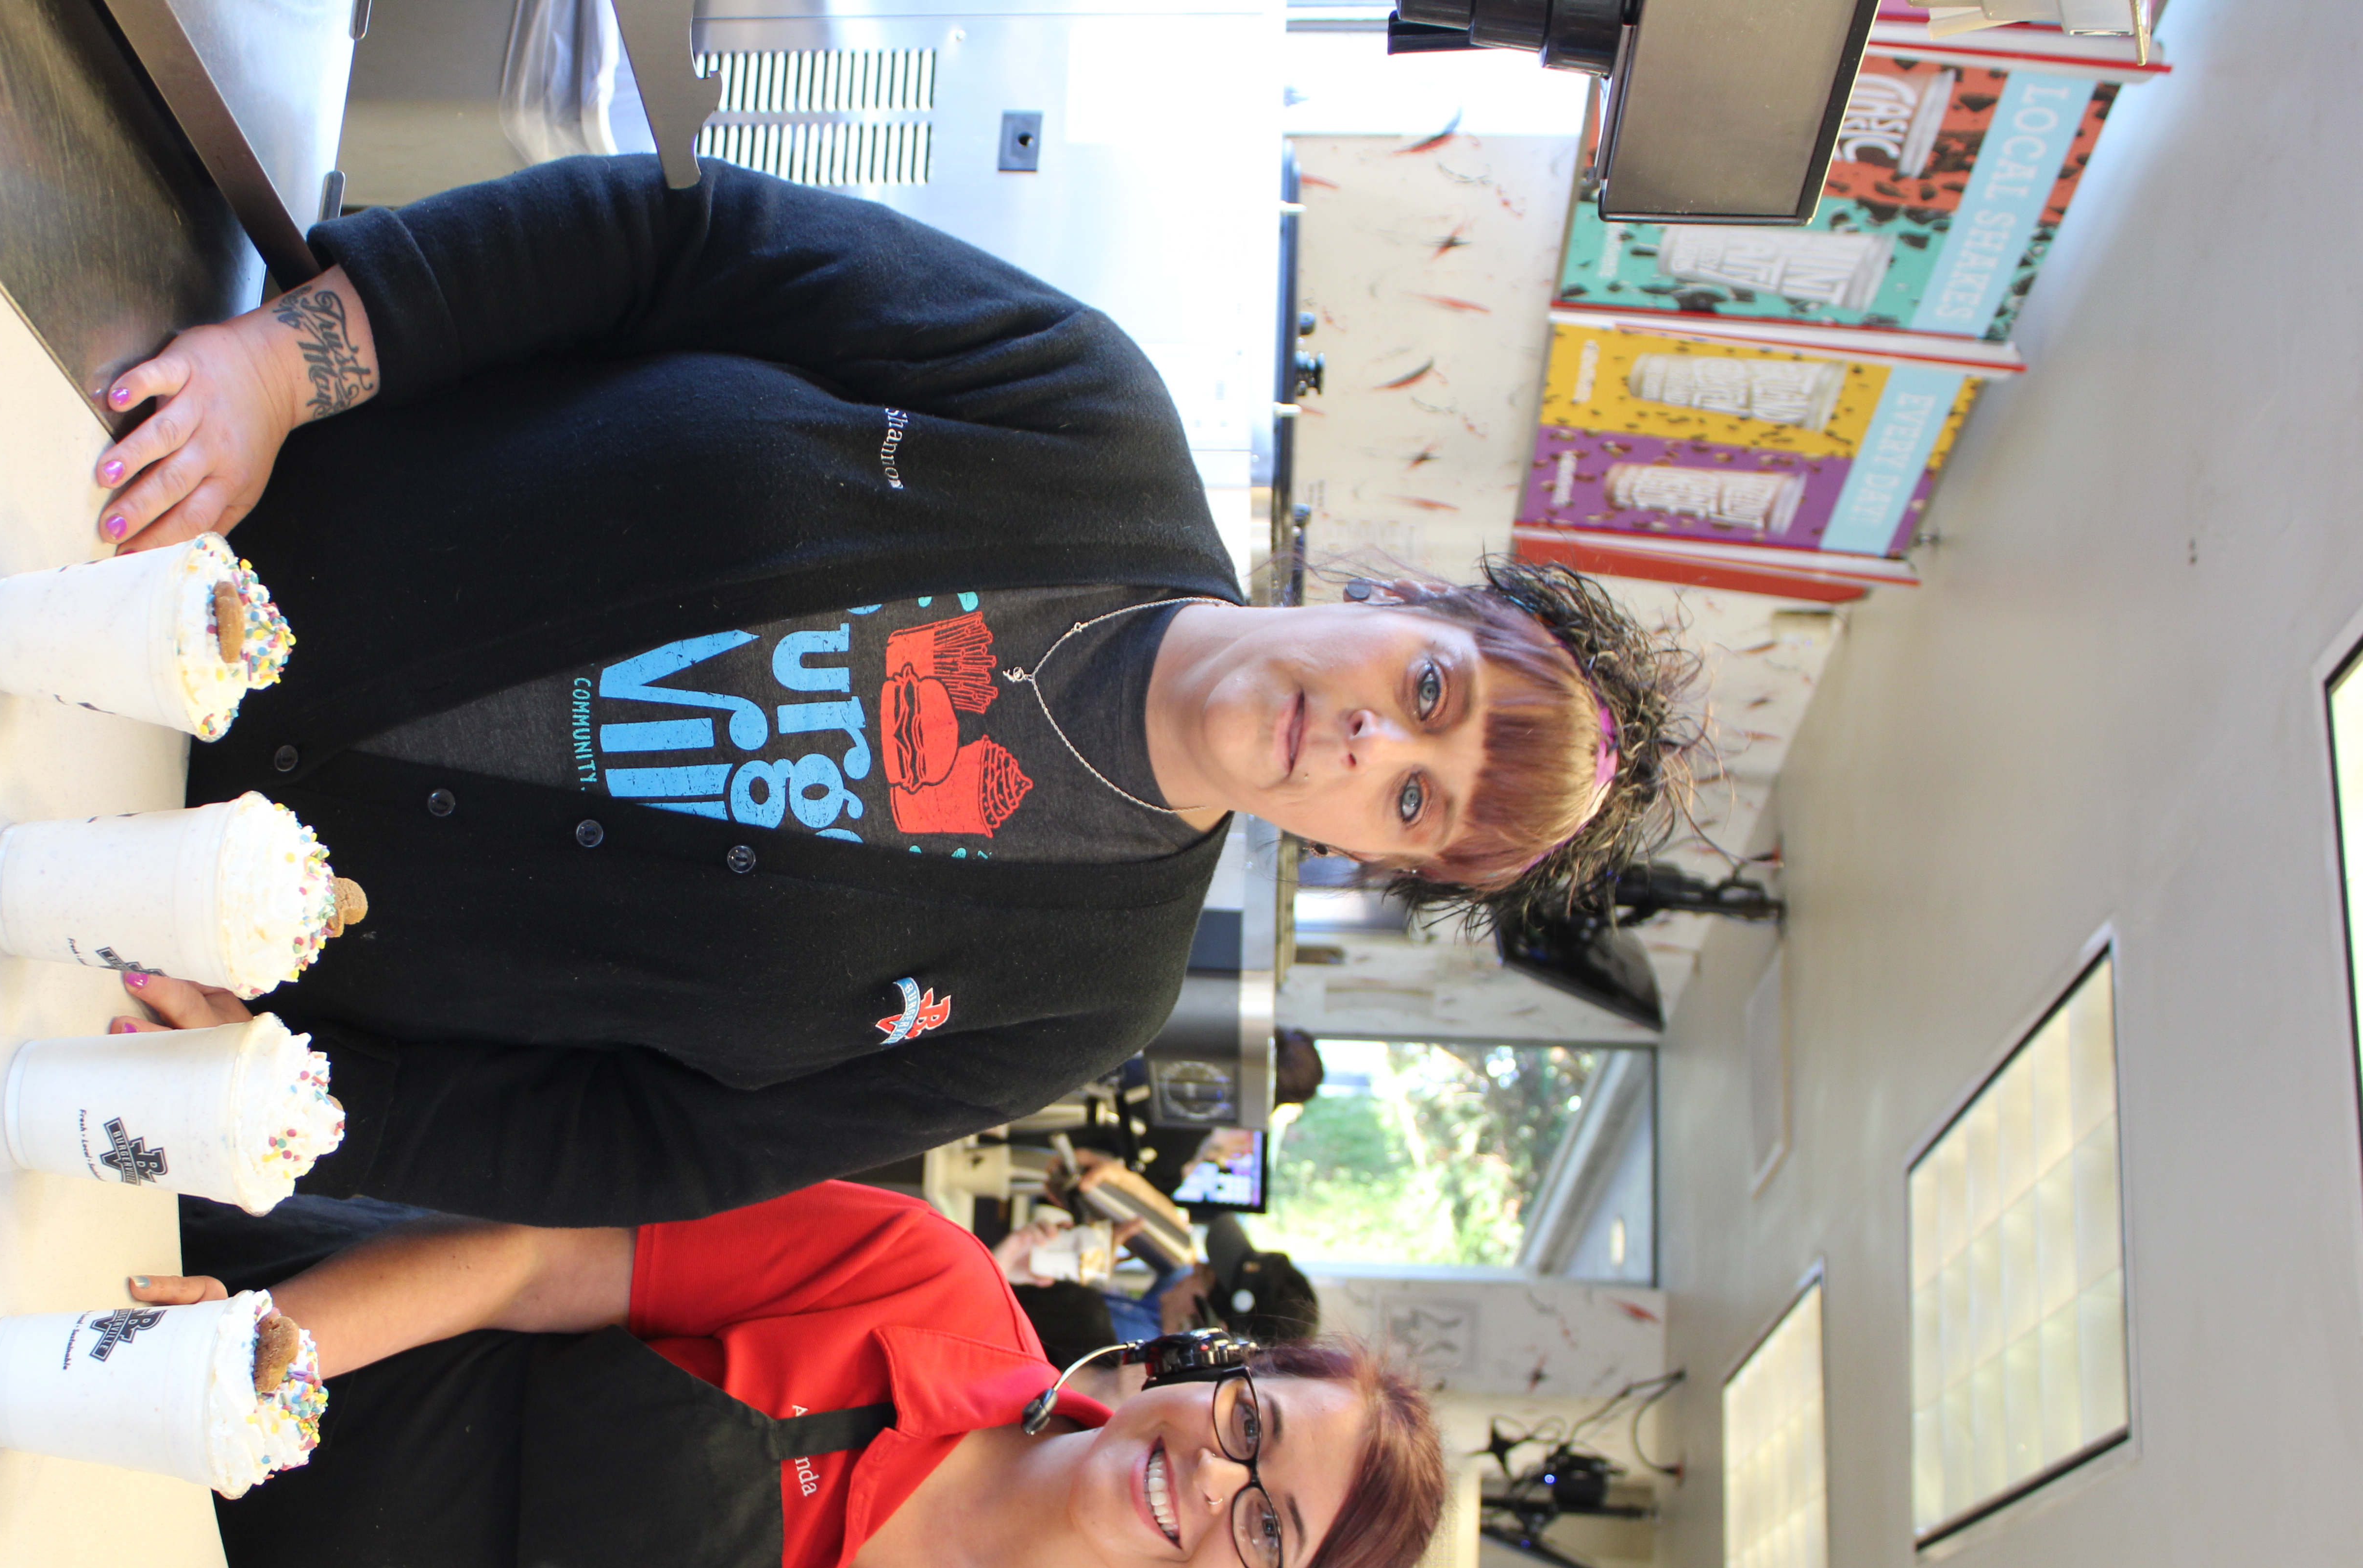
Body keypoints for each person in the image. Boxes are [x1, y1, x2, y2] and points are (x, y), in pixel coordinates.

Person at [93, 155, 1688, 1224]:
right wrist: (284, 365)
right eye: (1428, 688)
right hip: (159, 513)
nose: (1365, 742)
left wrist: (291, 1096)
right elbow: (674, 241)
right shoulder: (1087, 417)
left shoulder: (1099, 991)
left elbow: (658, 1147)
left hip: (158, 928)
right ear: (1406, 604)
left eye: (1413, 796)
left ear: (1378, 858)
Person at [132, 1182, 1448, 1568]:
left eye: (1267, 1529)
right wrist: (261, 1360)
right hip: (189, 1395)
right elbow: (538, 1258)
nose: (1216, 1483)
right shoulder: (918, 1282)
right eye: (1251, 1428)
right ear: (1213, 1367)